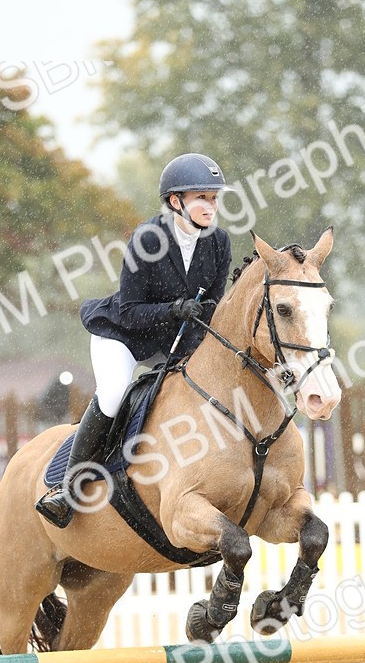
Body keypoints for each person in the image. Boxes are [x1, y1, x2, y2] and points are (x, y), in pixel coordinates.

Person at [35, 152, 233, 528]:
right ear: (176, 201)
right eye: (202, 198)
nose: (211, 206)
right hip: (123, 335)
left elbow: (212, 306)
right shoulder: (148, 239)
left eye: (214, 198)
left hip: (173, 340)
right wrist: (175, 309)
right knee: (114, 393)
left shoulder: (219, 242)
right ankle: (68, 489)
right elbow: (129, 311)